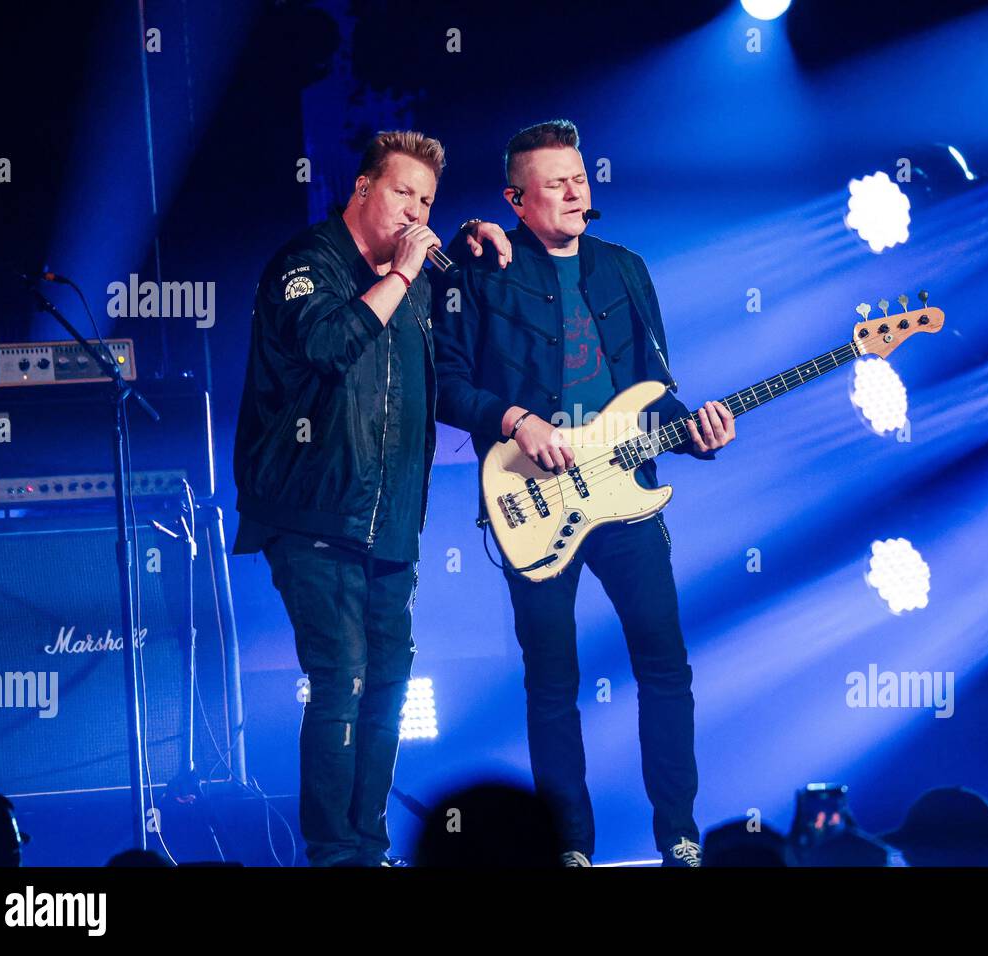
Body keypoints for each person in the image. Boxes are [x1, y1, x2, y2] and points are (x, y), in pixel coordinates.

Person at [433, 119, 736, 867]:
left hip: (626, 493)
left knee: (666, 666)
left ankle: (682, 837)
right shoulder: (481, 271)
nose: (574, 191)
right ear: (517, 199)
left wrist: (693, 431)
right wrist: (514, 418)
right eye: (555, 182)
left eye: (579, 177)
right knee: (552, 680)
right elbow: (444, 383)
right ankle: (568, 850)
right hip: (531, 500)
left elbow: (657, 391)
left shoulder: (623, 268)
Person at [233, 130, 508, 866]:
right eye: (402, 193)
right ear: (362, 190)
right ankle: (332, 853)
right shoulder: (306, 264)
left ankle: (369, 845)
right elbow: (327, 345)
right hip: (312, 512)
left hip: (389, 522)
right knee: (341, 677)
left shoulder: (414, 281)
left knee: (388, 684)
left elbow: (457, 363)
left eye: (427, 200)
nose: (416, 211)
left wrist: (479, 250)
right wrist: (402, 274)